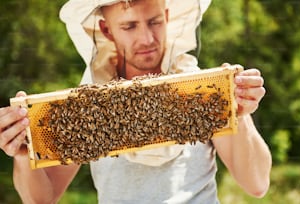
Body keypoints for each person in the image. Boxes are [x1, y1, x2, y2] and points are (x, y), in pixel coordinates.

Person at [0, 0, 272, 203]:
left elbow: (257, 184)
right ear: (107, 30)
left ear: (166, 17)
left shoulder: (201, 91)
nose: (147, 39)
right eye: (129, 26)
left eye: (154, 22)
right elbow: (41, 199)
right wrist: (24, 153)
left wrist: (239, 112)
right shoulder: (86, 106)